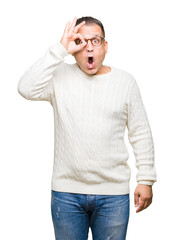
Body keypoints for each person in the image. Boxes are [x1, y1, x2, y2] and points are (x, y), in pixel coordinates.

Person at [17, 16, 157, 240]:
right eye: (81, 41)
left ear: (106, 46)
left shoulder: (125, 81)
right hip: (66, 194)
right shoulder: (59, 76)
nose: (89, 47)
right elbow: (25, 88)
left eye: (96, 40)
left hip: (113, 194)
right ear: (74, 49)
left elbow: (140, 132)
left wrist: (146, 179)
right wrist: (59, 49)